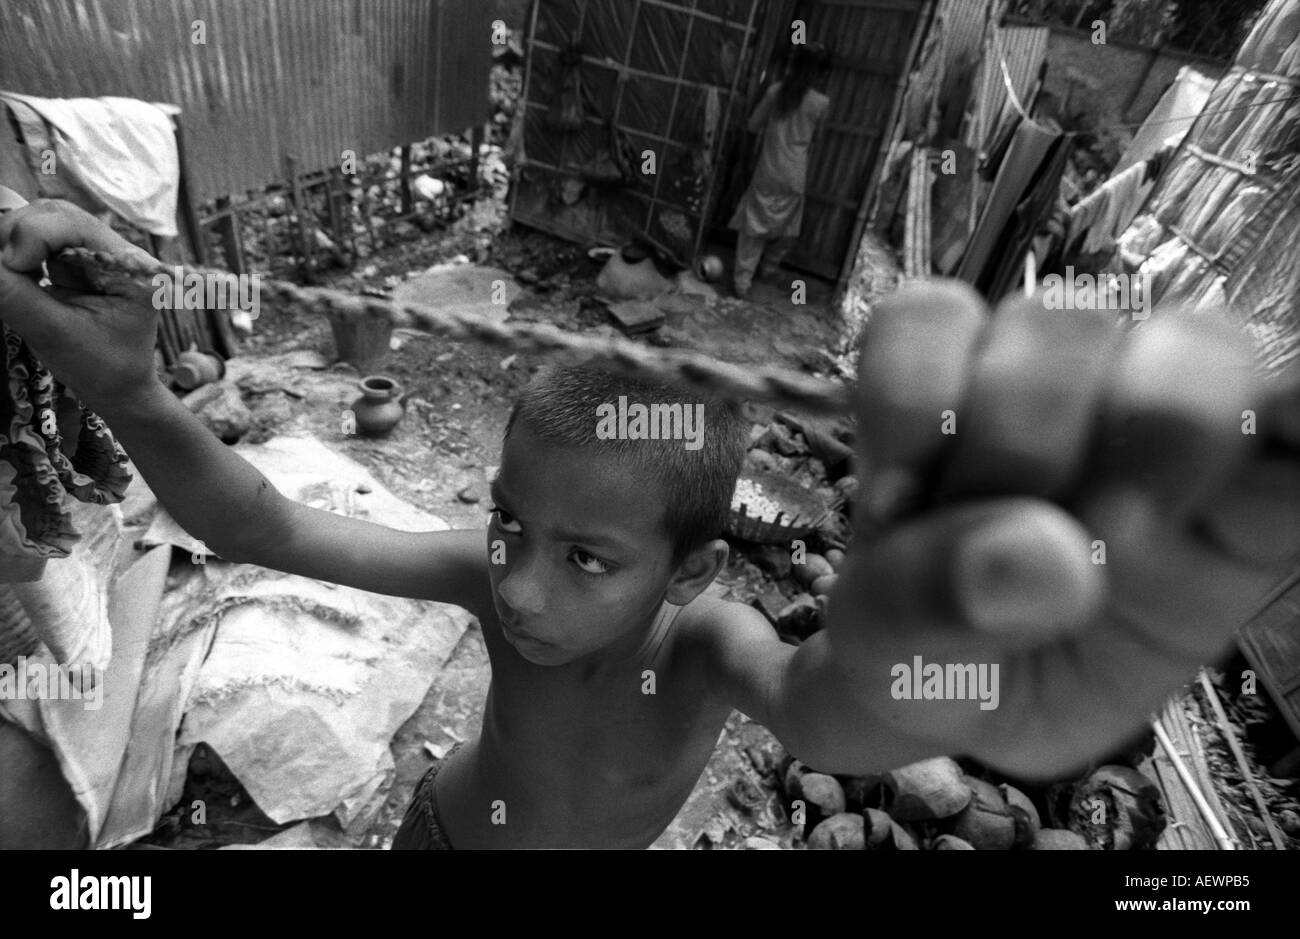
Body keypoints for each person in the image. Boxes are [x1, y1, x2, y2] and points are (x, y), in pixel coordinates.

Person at [0, 200, 1295, 849]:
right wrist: (130, 388)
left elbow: (826, 710)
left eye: (587, 557)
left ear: (693, 564)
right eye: (512, 523)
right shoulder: (479, 575)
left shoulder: (704, 651)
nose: (522, 589)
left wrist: (936, 681)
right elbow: (268, 523)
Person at [729, 42, 832, 299]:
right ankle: (769, 268)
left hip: (768, 168)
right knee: (787, 228)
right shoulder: (821, 103)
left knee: (753, 226)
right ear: (820, 74)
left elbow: (752, 125)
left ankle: (742, 282)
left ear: (792, 66)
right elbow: (818, 139)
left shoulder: (776, 92)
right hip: (795, 174)